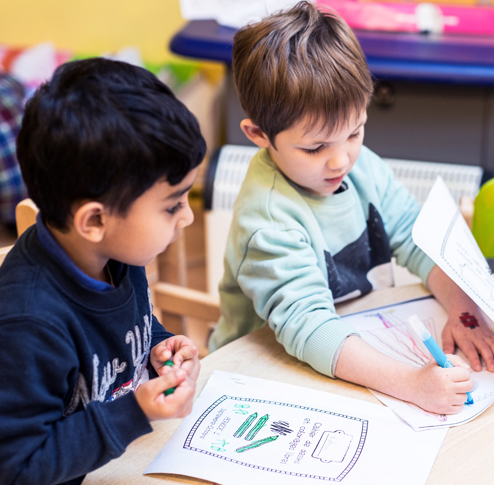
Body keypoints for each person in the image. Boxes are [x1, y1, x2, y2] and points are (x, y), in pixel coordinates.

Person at [210, 1, 494, 415]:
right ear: (259, 135)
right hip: (260, 376)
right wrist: (411, 384)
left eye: (354, 132)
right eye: (315, 147)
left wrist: (464, 310)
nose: (341, 161)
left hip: (353, 347)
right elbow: (310, 331)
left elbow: (420, 240)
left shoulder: (362, 169)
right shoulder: (269, 220)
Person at [0, 58, 205, 485]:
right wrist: (137, 411)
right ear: (93, 221)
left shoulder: (117, 255)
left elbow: (121, 334)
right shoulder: (30, 323)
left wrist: (159, 349)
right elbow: (18, 466)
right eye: (172, 205)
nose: (187, 218)